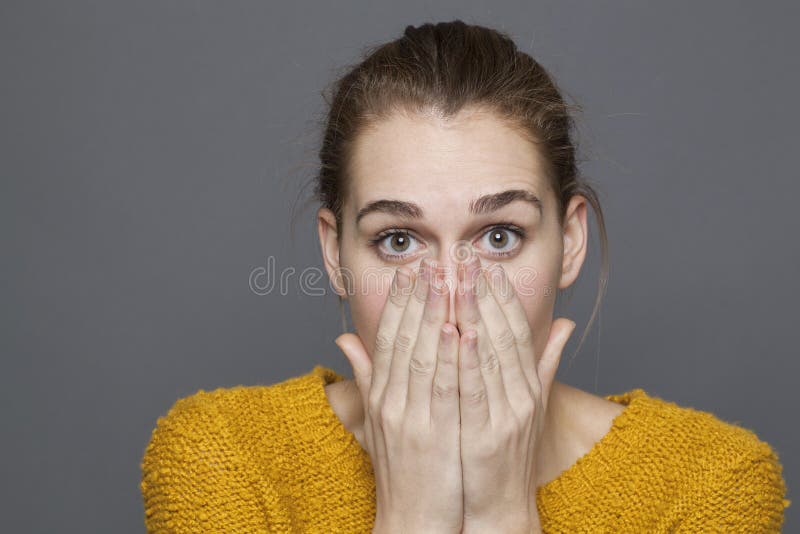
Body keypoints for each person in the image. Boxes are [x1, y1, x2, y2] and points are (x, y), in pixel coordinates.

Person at [140, 20, 790, 533]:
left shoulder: (709, 480)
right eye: (398, 241)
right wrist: (414, 518)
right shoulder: (224, 457)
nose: (452, 295)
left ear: (569, 242)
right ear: (336, 255)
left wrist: (503, 517)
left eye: (499, 237)